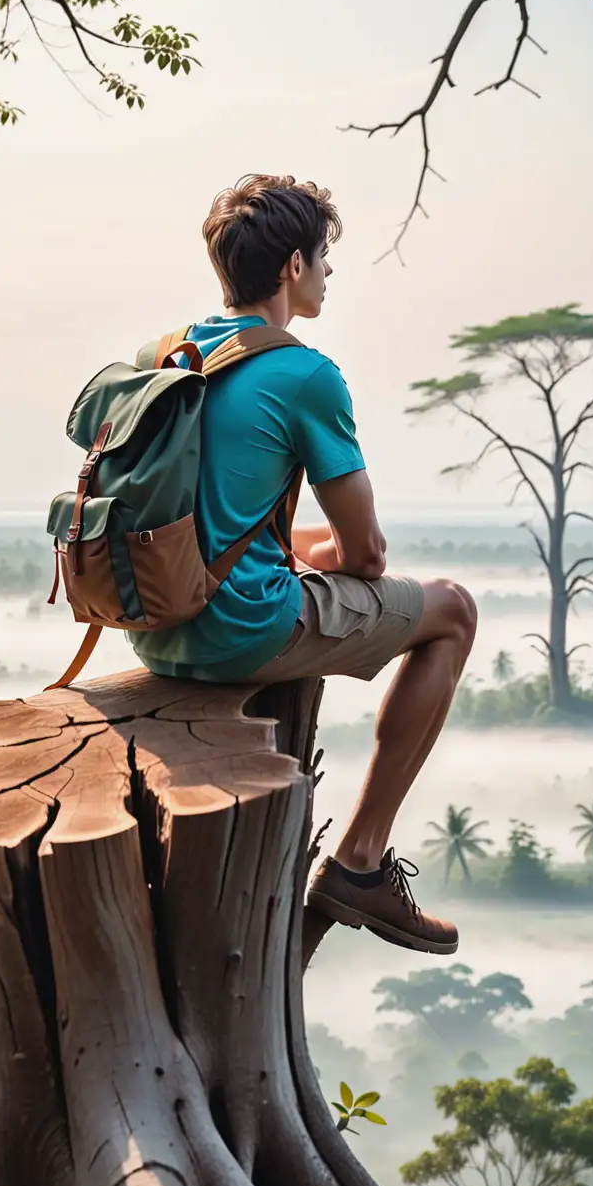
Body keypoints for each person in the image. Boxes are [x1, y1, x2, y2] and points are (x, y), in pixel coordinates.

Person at [131, 173, 477, 954]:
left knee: (313, 571)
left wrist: (304, 559)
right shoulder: (305, 375)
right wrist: (348, 571)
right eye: (323, 258)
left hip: (154, 625)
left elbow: (223, 529)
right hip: (240, 631)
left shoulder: (166, 355)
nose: (327, 275)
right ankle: (360, 863)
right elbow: (366, 554)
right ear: (293, 267)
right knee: (452, 610)